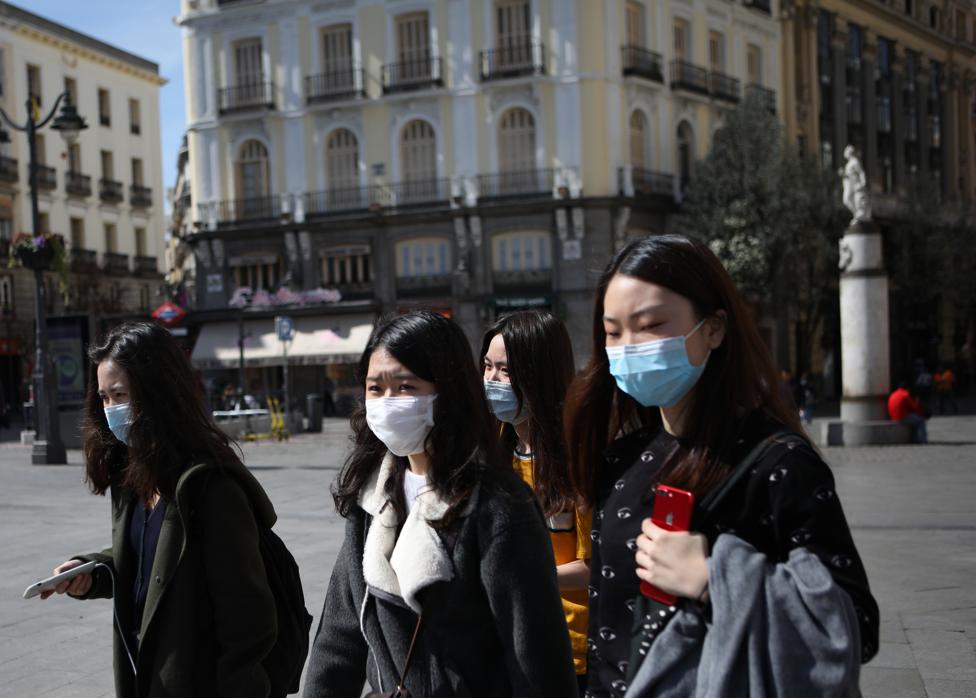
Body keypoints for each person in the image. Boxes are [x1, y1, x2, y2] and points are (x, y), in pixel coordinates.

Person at [564, 235, 878, 696]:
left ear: (713, 328)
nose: (628, 347)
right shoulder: (621, 458)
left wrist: (716, 578)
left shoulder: (777, 462)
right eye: (613, 332)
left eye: (650, 325)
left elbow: (857, 627)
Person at [305, 311, 578, 697]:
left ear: (447, 391)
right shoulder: (371, 496)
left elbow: (537, 661)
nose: (387, 403)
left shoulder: (498, 505)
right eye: (375, 388)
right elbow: (339, 637)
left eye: (405, 387)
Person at [41, 322, 279, 697]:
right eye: (103, 398)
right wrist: (94, 571)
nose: (110, 410)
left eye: (119, 394)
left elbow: (249, 621)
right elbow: (153, 567)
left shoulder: (210, 487)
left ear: (157, 391)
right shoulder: (131, 478)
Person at [481, 310, 592, 691]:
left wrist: (526, 580)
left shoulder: (578, 460)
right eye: (487, 367)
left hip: (572, 654)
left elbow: (597, 566)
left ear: (539, 377)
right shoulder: (490, 451)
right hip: (504, 644)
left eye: (506, 371)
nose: (492, 381)